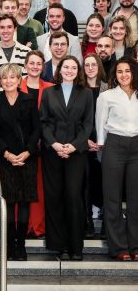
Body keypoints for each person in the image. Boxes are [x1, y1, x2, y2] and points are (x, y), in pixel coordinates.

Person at [40, 56, 93, 261]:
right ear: (59, 70)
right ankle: (58, 246)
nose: (69, 70)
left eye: (73, 67)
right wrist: (54, 144)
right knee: (54, 197)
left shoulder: (86, 94)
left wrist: (73, 146)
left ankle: (75, 247)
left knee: (73, 196)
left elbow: (87, 124)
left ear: (77, 71)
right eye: (66, 67)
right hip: (52, 151)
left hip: (76, 152)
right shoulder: (48, 93)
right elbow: (43, 122)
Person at [0, 63, 39, 261]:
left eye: (12, 77)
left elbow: (37, 129)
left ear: (19, 80)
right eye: (4, 78)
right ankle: (8, 245)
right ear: (0, 81)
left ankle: (21, 245)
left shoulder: (29, 100)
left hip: (27, 158)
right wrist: (6, 154)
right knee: (8, 203)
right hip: (5, 158)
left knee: (25, 203)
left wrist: (27, 152)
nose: (8, 81)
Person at [96, 56, 138, 261]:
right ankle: (119, 248)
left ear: (134, 73)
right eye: (120, 71)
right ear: (115, 74)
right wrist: (102, 148)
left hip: (137, 147)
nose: (124, 75)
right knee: (112, 199)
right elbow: (100, 123)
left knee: (135, 200)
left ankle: (136, 245)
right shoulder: (107, 96)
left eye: (127, 71)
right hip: (114, 146)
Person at [20, 51, 54, 237]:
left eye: (38, 63)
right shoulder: (15, 86)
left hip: (44, 146)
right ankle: (23, 225)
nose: (34, 66)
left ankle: (38, 225)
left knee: (40, 187)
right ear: (25, 65)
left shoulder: (51, 88)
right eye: (31, 63)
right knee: (23, 187)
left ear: (43, 66)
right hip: (21, 147)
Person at [81, 53, 107, 238]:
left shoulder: (108, 88)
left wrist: (103, 141)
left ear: (99, 67)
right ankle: (87, 220)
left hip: (105, 143)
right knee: (86, 182)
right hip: (84, 143)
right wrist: (85, 141)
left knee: (106, 183)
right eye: (87, 65)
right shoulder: (78, 89)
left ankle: (107, 221)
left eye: (93, 64)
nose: (90, 68)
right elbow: (75, 119)